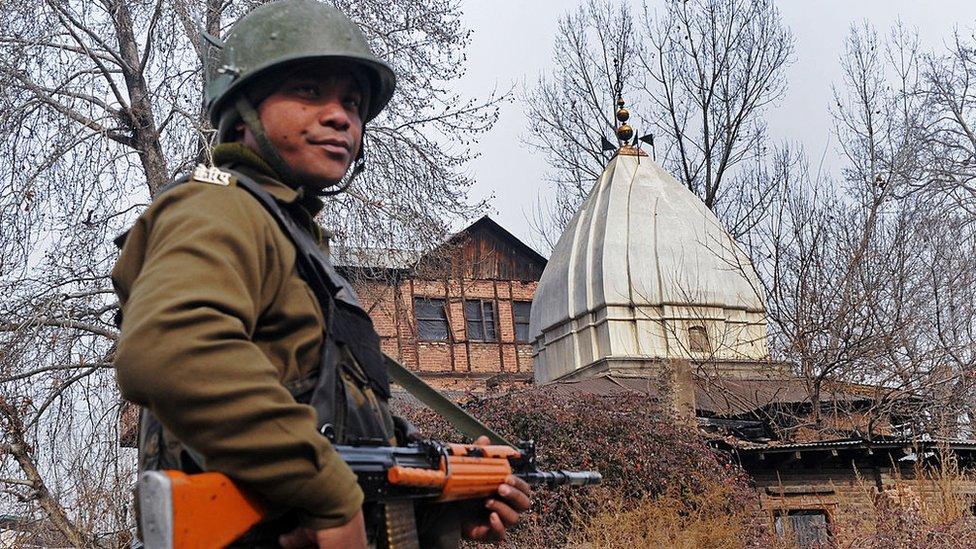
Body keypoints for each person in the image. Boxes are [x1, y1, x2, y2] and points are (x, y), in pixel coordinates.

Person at [111, 1, 531, 546]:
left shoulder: (299, 247)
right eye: (309, 91)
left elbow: (342, 450)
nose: (340, 117)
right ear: (241, 111)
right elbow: (167, 352)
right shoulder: (219, 209)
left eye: (352, 103)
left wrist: (439, 510)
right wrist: (330, 494)